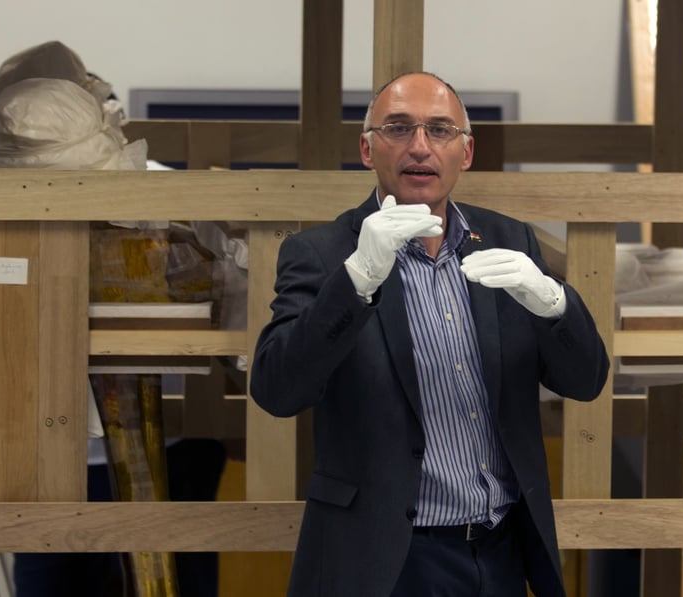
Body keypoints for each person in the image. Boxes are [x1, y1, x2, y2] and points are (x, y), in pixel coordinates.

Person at [249, 72, 610, 597]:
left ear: (465, 153)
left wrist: (555, 304)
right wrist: (356, 281)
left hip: (501, 550)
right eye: (398, 128)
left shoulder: (510, 239)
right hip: (388, 559)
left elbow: (587, 380)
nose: (420, 146)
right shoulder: (322, 254)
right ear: (367, 149)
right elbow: (277, 390)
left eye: (440, 130)